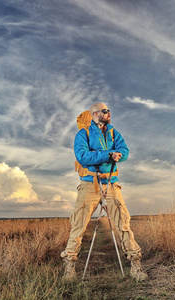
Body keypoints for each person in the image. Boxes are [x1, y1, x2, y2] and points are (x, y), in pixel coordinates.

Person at [60, 102, 148, 282]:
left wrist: (117, 154)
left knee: (123, 223)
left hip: (112, 183)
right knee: (78, 225)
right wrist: (108, 154)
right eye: (105, 111)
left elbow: (124, 151)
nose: (109, 113)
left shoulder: (114, 132)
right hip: (89, 184)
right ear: (94, 114)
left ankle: (136, 266)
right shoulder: (82, 134)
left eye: (109, 110)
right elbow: (82, 156)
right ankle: (69, 268)